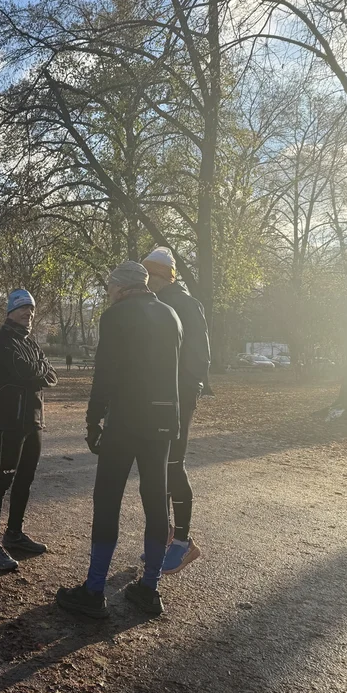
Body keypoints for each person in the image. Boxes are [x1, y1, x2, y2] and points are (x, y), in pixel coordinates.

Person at [55, 262, 182, 619]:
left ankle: (94, 590)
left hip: (126, 419)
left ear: (121, 288)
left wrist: (93, 418)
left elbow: (105, 372)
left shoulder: (117, 316)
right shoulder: (171, 314)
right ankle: (150, 588)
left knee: (107, 499)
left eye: (110, 287)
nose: (109, 293)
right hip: (163, 420)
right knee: (157, 501)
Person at [0, 290, 58, 571]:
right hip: (11, 420)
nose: (29, 314)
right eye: (24, 308)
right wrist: (39, 369)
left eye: (32, 310)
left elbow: (51, 374)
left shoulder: (30, 341)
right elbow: (25, 371)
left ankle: (14, 533)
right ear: (11, 310)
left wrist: (37, 368)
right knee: (3, 479)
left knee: (25, 478)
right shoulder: (0, 341)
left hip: (33, 419)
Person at [142, 246, 209, 574]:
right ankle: (169, 534)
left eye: (148, 275)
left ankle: (183, 542)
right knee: (160, 465)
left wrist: (181, 391)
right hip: (159, 398)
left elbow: (200, 359)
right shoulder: (158, 304)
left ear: (159, 276)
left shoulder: (184, 304)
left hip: (177, 398)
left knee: (172, 463)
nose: (144, 282)